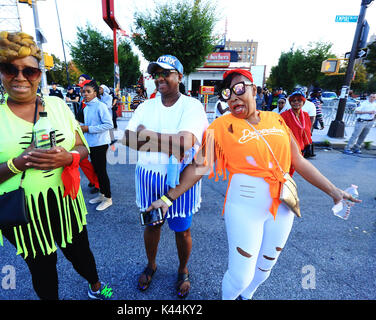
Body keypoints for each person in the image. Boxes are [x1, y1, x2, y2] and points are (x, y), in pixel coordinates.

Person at [144, 68, 359, 300]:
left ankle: (247, 297)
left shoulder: (276, 119)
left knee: (265, 269)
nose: (234, 96)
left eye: (239, 89)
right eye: (228, 93)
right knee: (240, 275)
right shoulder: (220, 127)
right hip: (244, 204)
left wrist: (333, 191)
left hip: (283, 205)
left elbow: (298, 160)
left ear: (254, 90)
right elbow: (200, 166)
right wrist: (168, 198)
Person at [0, 31, 112, 300]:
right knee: (42, 268)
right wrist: (18, 164)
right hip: (21, 211)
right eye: (9, 69)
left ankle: (96, 286)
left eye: (29, 71)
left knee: (82, 254)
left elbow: (82, 147)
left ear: (39, 74)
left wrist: (69, 158)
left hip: (66, 203)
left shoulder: (58, 105)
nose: (20, 77)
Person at [122, 54, 209, 299]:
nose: (160, 78)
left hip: (180, 179)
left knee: (182, 230)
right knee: (152, 224)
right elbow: (128, 140)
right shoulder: (145, 106)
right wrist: (171, 143)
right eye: (156, 73)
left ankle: (182, 269)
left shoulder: (191, 106)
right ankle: (151, 264)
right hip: (148, 177)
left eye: (166, 73)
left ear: (179, 77)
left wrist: (147, 135)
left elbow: (186, 143)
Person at [79, 80, 114, 211]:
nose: (85, 94)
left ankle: (108, 198)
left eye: (88, 91)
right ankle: (102, 194)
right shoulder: (86, 107)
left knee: (102, 172)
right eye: (83, 92)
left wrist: (88, 129)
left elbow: (109, 124)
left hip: (100, 143)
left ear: (95, 93)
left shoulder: (101, 106)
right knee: (96, 171)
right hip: (91, 144)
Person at [281, 91, 312, 165]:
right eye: (293, 101)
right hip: (290, 149)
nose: (296, 103)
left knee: (296, 167)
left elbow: (308, 129)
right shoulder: (284, 115)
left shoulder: (305, 115)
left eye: (299, 100)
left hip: (302, 148)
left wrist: (309, 143)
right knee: (288, 169)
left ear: (303, 103)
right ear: (290, 102)